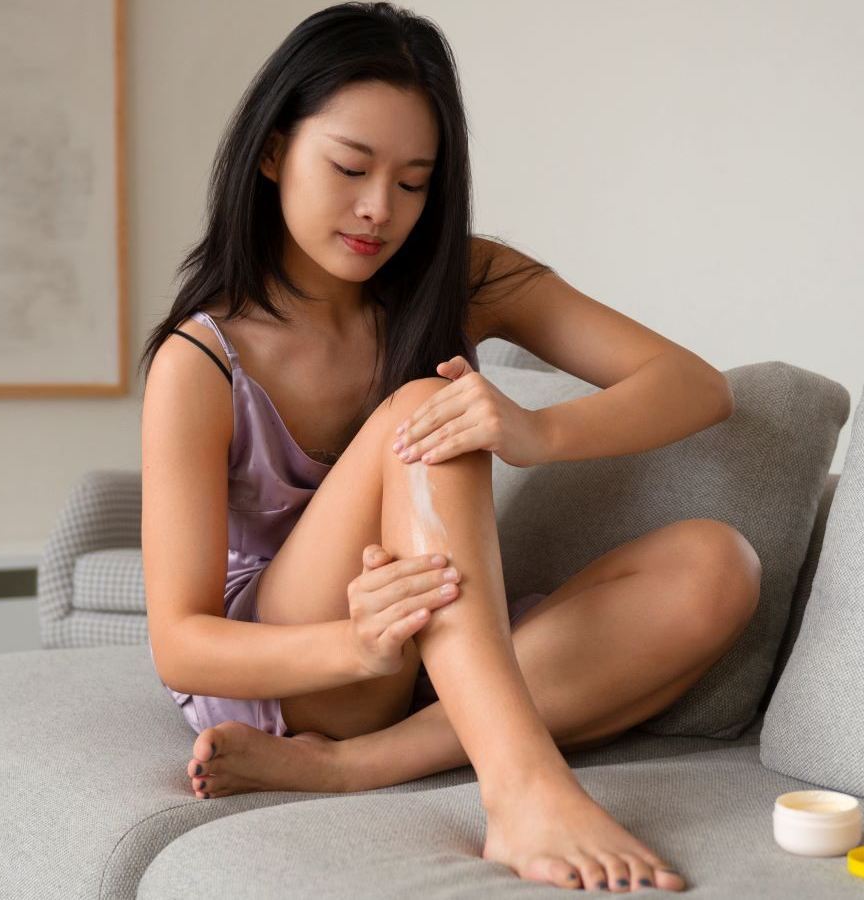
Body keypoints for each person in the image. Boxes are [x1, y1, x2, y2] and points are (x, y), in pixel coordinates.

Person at [137, 3, 761, 892]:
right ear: (273, 152)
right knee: (426, 405)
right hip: (301, 663)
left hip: (432, 641)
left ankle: (360, 766)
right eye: (350, 167)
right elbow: (182, 646)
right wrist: (356, 646)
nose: (377, 209)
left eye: (413, 181)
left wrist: (539, 432)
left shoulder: (464, 275)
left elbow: (697, 387)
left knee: (719, 565)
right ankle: (520, 789)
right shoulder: (200, 361)